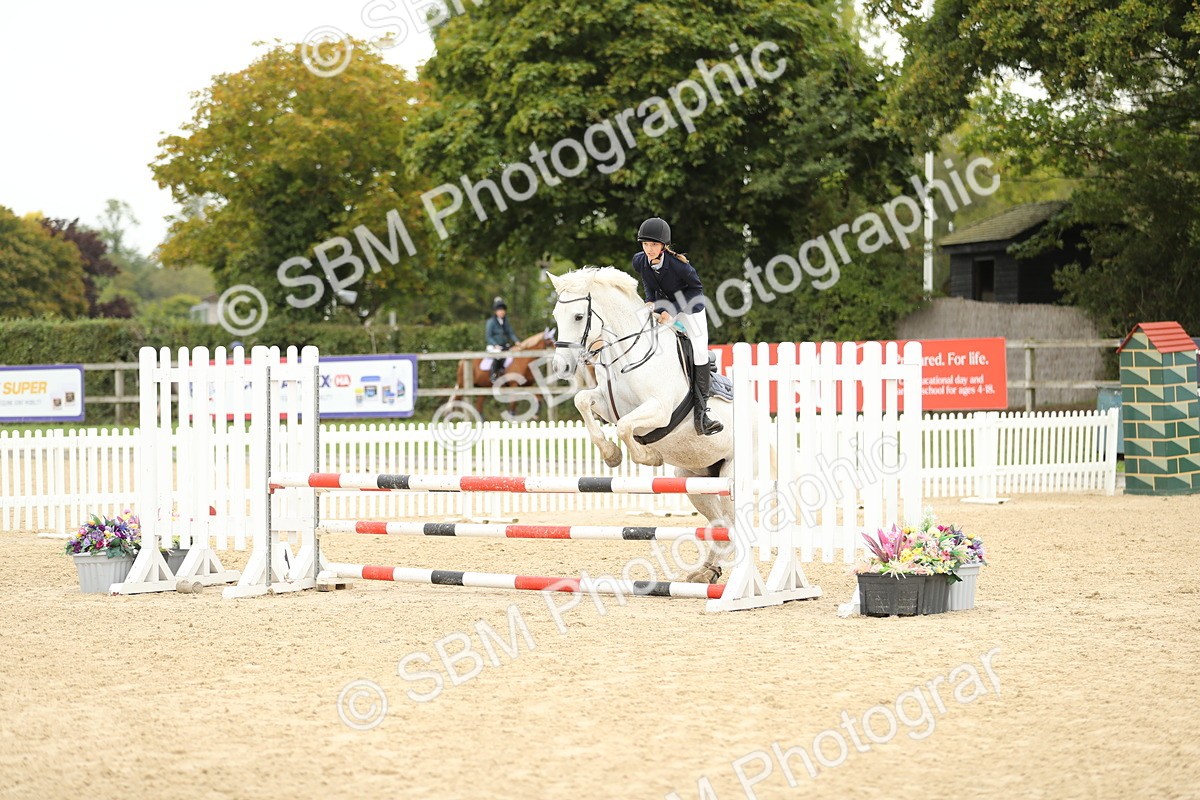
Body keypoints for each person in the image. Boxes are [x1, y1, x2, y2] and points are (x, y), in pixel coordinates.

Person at [631, 217, 722, 436]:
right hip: (664, 306)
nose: (649, 249)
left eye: (653, 245)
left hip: (690, 307)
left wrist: (671, 310)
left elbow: (696, 290)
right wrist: (650, 300)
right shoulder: (639, 260)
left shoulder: (679, 265)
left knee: (699, 352)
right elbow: (648, 281)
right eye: (645, 244)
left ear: (663, 246)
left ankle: (702, 414)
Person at [485, 296, 519, 384]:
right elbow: (489, 336)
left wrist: (516, 341)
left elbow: (510, 333)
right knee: (498, 354)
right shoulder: (491, 322)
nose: (502, 312)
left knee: (512, 354)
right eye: (500, 310)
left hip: (504, 345)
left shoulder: (506, 321)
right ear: (496, 311)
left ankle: (506, 374)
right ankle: (494, 374)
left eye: (503, 310)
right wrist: (495, 344)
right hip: (494, 346)